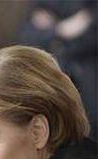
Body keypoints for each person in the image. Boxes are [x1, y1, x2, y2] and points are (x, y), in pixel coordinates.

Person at [20, 0, 97, 139]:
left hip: (90, 77)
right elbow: (29, 38)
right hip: (57, 78)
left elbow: (92, 37)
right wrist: (62, 29)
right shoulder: (43, 3)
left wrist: (54, 33)